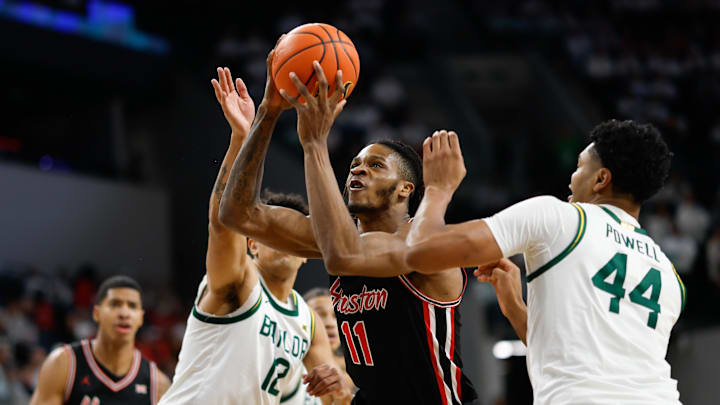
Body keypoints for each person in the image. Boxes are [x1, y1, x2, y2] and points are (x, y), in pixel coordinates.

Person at [219, 58, 478, 404]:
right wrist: (266, 114)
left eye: (375, 165)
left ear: (405, 189)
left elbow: (344, 256)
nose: (359, 171)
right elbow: (237, 214)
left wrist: (313, 144)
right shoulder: (334, 239)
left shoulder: (423, 242)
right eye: (354, 165)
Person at [405, 122, 684, 404]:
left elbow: (420, 252)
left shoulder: (560, 218)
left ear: (601, 179)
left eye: (579, 167)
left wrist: (438, 188)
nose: (571, 179)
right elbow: (571, 358)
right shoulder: (669, 273)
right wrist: (515, 308)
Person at [158, 65, 351, 405]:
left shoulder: (307, 322)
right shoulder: (241, 281)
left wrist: (339, 382)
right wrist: (241, 139)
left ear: (307, 253)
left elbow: (337, 396)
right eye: (271, 236)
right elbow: (222, 222)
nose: (283, 244)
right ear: (252, 246)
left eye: (290, 236)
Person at [30, 276, 171, 405]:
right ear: (96, 313)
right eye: (115, 304)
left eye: (132, 306)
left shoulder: (157, 384)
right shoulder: (63, 364)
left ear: (141, 317)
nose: (124, 313)